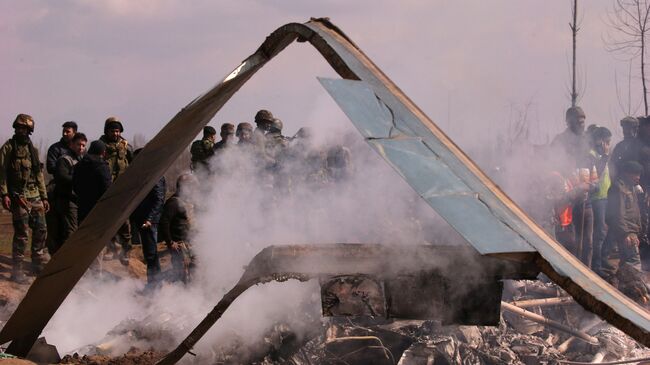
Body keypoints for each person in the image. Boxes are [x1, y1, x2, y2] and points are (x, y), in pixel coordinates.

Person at [0, 114, 49, 283]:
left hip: (35, 195)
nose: (21, 131)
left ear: (29, 131)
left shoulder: (32, 149)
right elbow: (2, 173)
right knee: (22, 235)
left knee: (41, 230)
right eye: (19, 127)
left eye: (24, 128)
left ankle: (37, 265)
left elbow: (39, 174)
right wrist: (4, 194)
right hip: (18, 196)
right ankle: (17, 271)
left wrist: (44, 197)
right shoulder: (8, 148)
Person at [602, 161, 650, 304]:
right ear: (628, 173)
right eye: (636, 174)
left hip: (632, 231)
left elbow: (633, 211)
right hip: (627, 233)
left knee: (626, 266)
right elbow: (618, 214)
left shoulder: (631, 187)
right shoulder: (619, 188)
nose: (638, 178)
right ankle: (639, 300)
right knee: (634, 265)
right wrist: (626, 233)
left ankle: (625, 296)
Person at [551, 106, 594, 266]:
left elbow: (592, 167)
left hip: (586, 200)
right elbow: (553, 168)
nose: (582, 125)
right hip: (567, 202)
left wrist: (591, 186)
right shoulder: (559, 141)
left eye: (583, 121)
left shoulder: (586, 140)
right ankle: (571, 275)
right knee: (570, 243)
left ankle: (588, 275)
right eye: (578, 122)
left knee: (588, 243)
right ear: (569, 122)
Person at [99, 117, 133, 264]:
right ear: (107, 131)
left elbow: (133, 163)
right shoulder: (100, 146)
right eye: (112, 131)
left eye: (118, 131)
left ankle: (126, 251)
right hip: (106, 189)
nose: (115, 133)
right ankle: (111, 248)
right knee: (107, 221)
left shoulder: (125, 146)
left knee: (124, 222)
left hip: (122, 188)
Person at [130, 148, 166, 287]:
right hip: (144, 219)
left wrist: (149, 219)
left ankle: (155, 286)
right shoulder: (145, 175)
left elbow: (158, 199)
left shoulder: (154, 175)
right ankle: (154, 284)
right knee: (149, 252)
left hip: (149, 221)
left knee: (151, 254)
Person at [50, 133, 87, 254]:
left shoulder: (81, 160)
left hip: (78, 200)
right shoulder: (65, 159)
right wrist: (79, 179)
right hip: (67, 200)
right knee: (70, 233)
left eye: (83, 145)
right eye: (78, 144)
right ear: (71, 144)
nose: (81, 148)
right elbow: (62, 177)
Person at [159, 174, 198, 284]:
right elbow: (164, 223)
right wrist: (170, 242)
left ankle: (194, 292)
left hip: (192, 243)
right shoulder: (173, 203)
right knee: (182, 272)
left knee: (195, 269)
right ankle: (181, 295)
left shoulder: (188, 201)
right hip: (180, 245)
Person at [588, 127, 612, 274]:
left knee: (603, 232)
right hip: (596, 200)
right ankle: (596, 266)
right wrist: (605, 155)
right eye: (607, 142)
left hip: (605, 197)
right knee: (598, 233)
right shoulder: (592, 155)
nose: (609, 145)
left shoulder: (600, 154)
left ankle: (601, 261)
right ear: (601, 141)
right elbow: (597, 172)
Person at [73, 140, 111, 223]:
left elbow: (75, 185)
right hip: (99, 208)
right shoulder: (102, 167)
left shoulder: (79, 165)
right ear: (103, 152)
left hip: (82, 206)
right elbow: (107, 187)